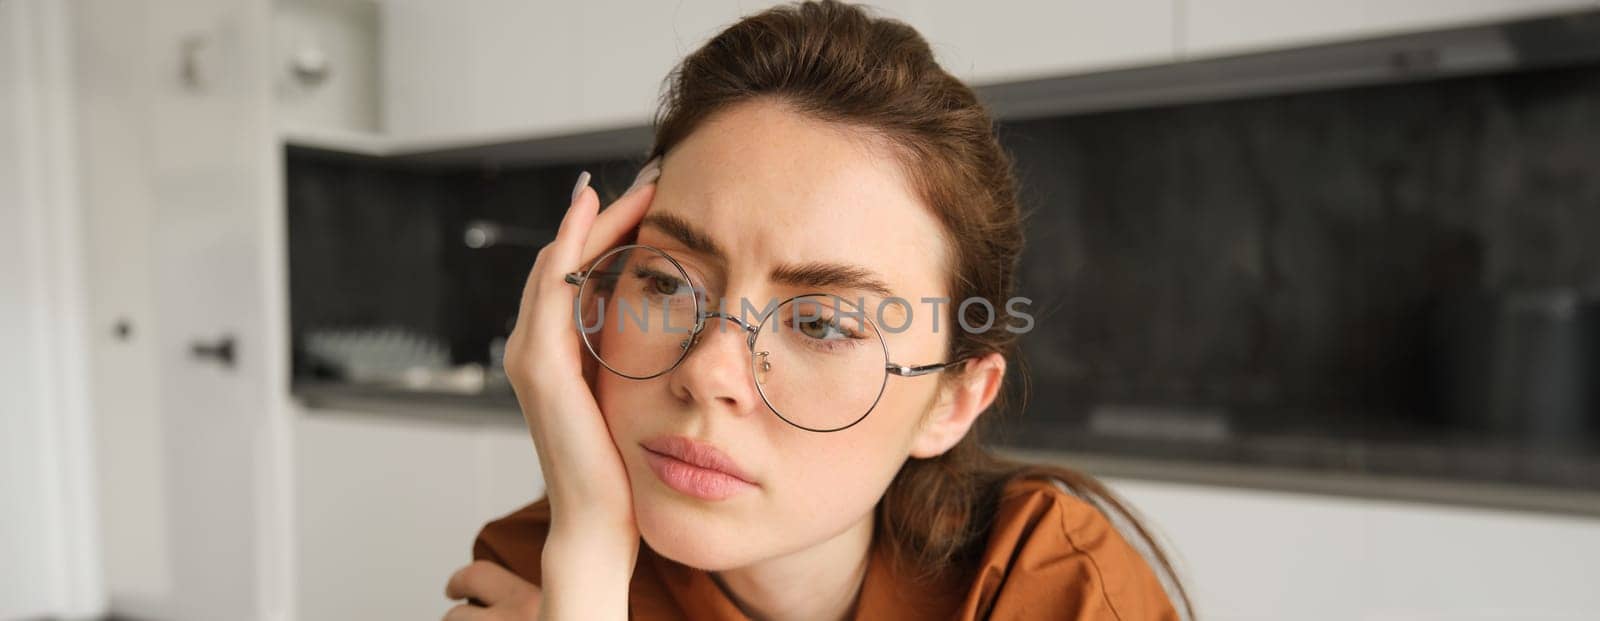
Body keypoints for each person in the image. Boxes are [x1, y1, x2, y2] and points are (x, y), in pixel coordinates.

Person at [442, 2, 1191, 619]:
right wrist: (589, 563)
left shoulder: (1054, 583)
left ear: (954, 400)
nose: (708, 373)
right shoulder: (550, 558)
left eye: (822, 323)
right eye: (668, 282)